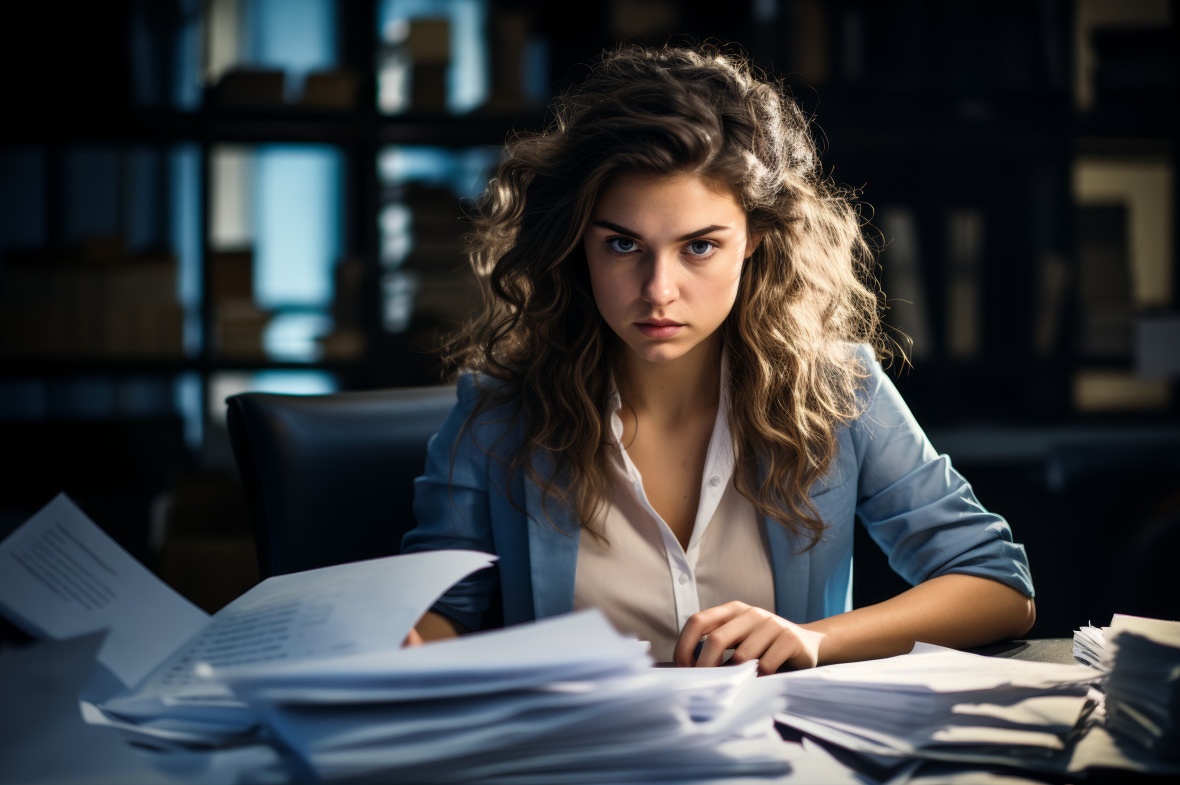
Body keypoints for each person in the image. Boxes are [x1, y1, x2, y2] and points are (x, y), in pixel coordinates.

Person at [400, 43, 1035, 671]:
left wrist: (816, 640)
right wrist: (409, 639)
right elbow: (441, 611)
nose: (658, 290)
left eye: (699, 247)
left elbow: (996, 585)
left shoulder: (841, 393)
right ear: (576, 245)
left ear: (755, 237)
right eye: (623, 244)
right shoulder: (497, 415)